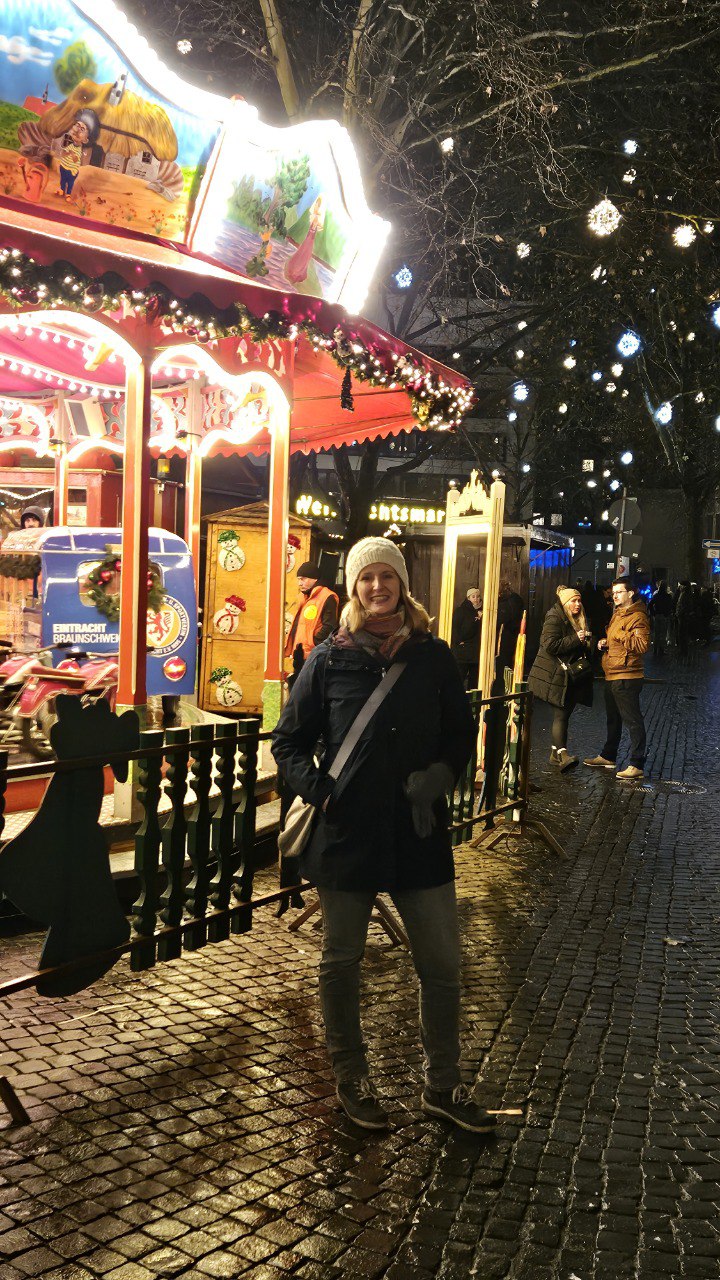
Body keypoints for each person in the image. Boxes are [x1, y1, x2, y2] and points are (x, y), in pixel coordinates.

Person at [272, 537, 496, 1135]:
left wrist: (441, 775)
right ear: (354, 586)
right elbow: (288, 742)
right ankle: (352, 1079)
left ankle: (443, 1085)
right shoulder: (330, 659)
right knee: (341, 961)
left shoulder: (432, 656)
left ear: (402, 585)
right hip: (348, 835)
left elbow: (459, 731)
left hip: (417, 833)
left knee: (442, 964)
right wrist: (322, 793)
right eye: (366, 577)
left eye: (387, 576)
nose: (377, 587)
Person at [584, 577, 650, 781]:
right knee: (613, 719)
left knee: (633, 720)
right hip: (612, 673)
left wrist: (620, 635)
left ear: (630, 593)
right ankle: (608, 756)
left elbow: (641, 645)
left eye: (619, 592)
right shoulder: (618, 614)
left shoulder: (638, 616)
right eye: (613, 593)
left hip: (627, 675)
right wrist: (605, 642)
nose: (615, 596)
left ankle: (637, 764)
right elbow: (616, 639)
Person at [527, 586, 594, 771]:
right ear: (565, 603)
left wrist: (590, 642)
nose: (578, 604)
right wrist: (576, 639)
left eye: (579, 600)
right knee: (561, 714)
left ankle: (555, 754)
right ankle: (562, 755)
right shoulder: (554, 617)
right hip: (554, 674)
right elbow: (549, 644)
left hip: (569, 675)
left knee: (564, 714)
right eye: (573, 601)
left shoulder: (578, 619)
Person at [284, 562, 339, 665]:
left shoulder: (327, 597)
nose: (299, 583)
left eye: (303, 579)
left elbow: (329, 626)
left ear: (314, 579)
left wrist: (313, 643)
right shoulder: (303, 597)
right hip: (300, 654)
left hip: (314, 655)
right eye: (298, 579)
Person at [451, 587, 482, 687]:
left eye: (478, 596)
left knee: (473, 681)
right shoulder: (462, 611)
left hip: (474, 652)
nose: (476, 599)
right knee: (460, 679)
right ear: (468, 598)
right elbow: (464, 631)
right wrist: (477, 620)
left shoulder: (480, 611)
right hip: (464, 652)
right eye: (473, 597)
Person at [496, 578, 524, 677]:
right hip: (515, 635)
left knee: (503, 665)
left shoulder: (506, 603)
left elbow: (500, 620)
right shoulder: (516, 599)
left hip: (506, 637)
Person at [649, 580, 673, 657]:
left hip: (657, 615)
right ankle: (661, 649)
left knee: (656, 633)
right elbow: (670, 606)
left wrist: (653, 613)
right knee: (663, 633)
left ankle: (655, 649)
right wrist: (667, 613)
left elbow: (650, 605)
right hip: (664, 616)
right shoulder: (668, 596)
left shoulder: (656, 595)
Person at [674, 580, 694, 658]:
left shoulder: (685, 594)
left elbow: (683, 605)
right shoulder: (685, 593)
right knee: (682, 634)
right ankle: (683, 650)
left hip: (683, 617)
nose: (679, 587)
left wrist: (680, 613)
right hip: (682, 616)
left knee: (682, 634)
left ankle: (683, 651)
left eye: (681, 585)